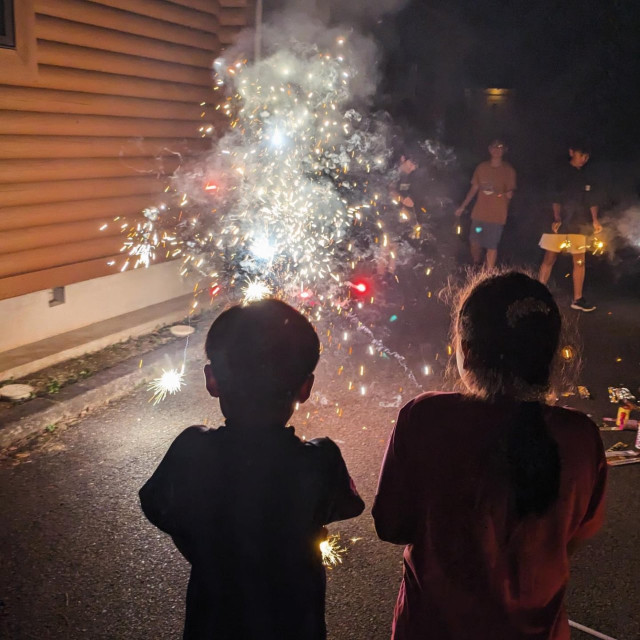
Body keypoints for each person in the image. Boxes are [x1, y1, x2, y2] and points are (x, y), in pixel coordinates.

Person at [373, 271, 607, 640]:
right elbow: (572, 536)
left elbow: (391, 525)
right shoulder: (581, 435)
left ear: (467, 351)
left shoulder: (426, 417)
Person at [139, 299, 364, 640]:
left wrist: (201, 545)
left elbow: (158, 505)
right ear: (305, 387)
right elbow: (347, 505)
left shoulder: (193, 450)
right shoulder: (320, 461)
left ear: (212, 380)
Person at [538, 142, 602, 312]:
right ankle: (538, 293)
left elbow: (592, 200)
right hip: (560, 222)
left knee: (580, 261)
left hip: (579, 224)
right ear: (572, 152)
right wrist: (557, 217)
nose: (584, 159)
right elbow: (555, 198)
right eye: (581, 155)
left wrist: (595, 220)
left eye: (586, 157)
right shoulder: (560, 172)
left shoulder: (587, 176)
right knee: (550, 258)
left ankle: (578, 299)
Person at [455, 140, 517, 268]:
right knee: (474, 242)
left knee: (491, 245)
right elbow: (474, 189)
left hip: (497, 217)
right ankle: (477, 264)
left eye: (500, 147)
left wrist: (504, 195)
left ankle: (489, 274)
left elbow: (510, 193)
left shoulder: (508, 170)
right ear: (489, 149)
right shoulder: (482, 168)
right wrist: (462, 206)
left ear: (504, 150)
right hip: (479, 214)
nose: (497, 150)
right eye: (494, 147)